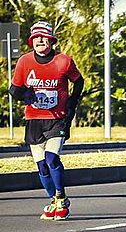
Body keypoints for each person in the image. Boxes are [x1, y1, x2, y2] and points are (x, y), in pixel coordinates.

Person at [9, 21, 84, 220]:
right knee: (41, 165)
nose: (40, 40)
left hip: (57, 119)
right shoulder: (25, 61)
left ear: (51, 40)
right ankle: (54, 200)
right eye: (36, 38)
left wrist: (72, 102)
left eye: (44, 37)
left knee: (52, 158)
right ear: (32, 41)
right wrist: (25, 93)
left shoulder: (63, 61)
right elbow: (14, 89)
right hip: (34, 120)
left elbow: (79, 81)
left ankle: (60, 196)